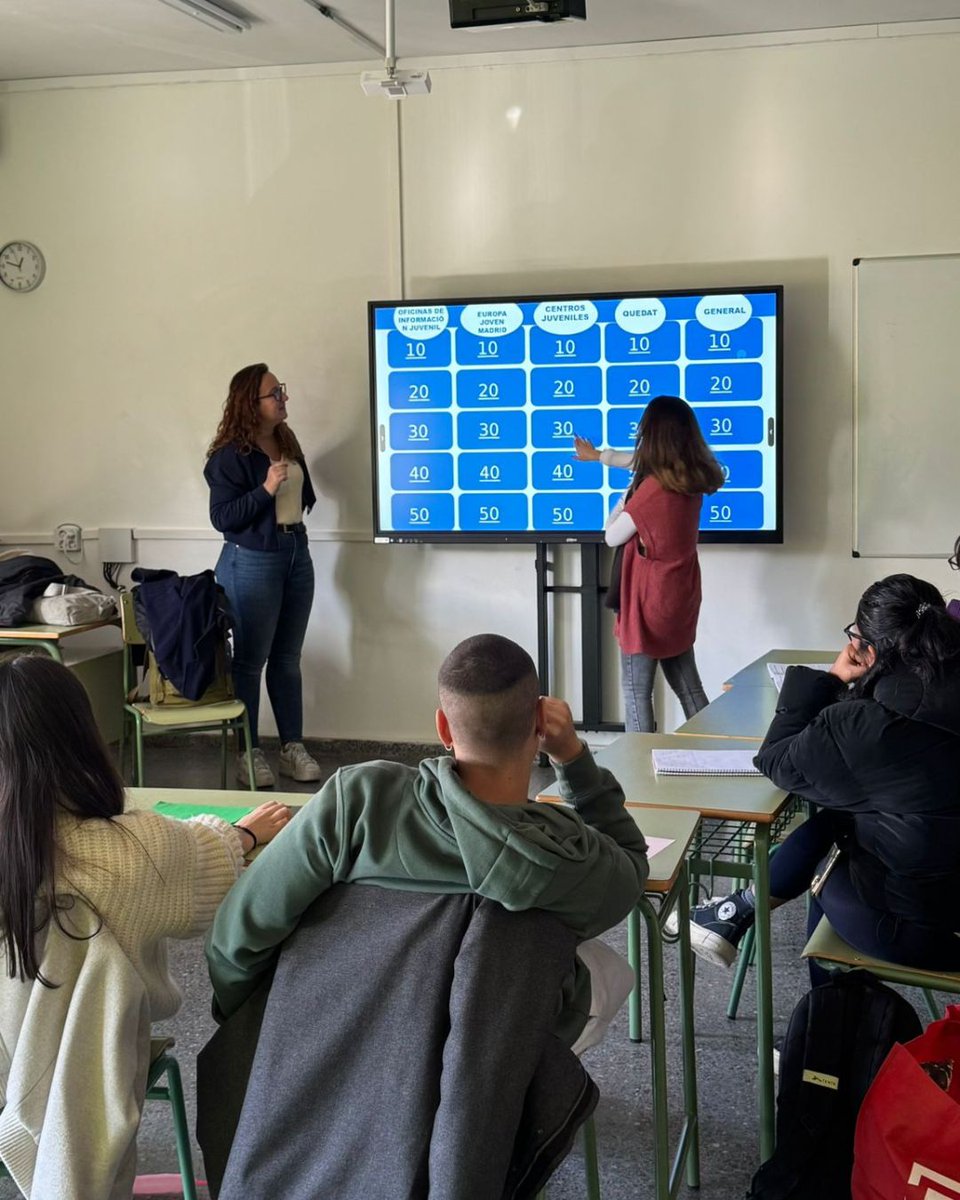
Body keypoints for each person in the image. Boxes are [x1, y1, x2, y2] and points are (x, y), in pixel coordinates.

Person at [206, 633, 649, 1053]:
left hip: (347, 1032)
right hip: (489, 1054)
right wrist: (571, 757)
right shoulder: (568, 850)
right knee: (610, 970)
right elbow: (631, 862)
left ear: (443, 726)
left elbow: (236, 937)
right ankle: (531, 1091)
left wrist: (259, 1033)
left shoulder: (359, 799)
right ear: (540, 724)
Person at [0, 652, 290, 1193]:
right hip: (80, 1090)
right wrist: (244, 834)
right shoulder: (131, 851)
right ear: (79, 736)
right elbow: (205, 856)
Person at [683, 574, 960, 983]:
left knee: (829, 865)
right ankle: (737, 912)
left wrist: (831, 680)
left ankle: (830, 1033)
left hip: (922, 927)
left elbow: (777, 760)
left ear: (868, 647)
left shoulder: (864, 726)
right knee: (846, 817)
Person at [205, 363, 321, 788]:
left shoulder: (286, 441)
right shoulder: (228, 457)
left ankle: (292, 748)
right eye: (275, 393)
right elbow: (222, 517)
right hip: (251, 559)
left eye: (282, 390)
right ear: (249, 403)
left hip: (296, 553)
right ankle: (248, 752)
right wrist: (265, 489)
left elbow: (302, 497)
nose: (283, 398)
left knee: (288, 658)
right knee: (250, 662)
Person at [576, 396, 724, 732]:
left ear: (652, 437)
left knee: (635, 692)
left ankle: (638, 770)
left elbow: (611, 536)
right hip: (679, 598)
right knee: (689, 688)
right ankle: (716, 748)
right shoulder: (690, 477)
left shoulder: (653, 489)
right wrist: (599, 457)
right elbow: (635, 462)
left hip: (647, 603)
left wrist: (627, 496)